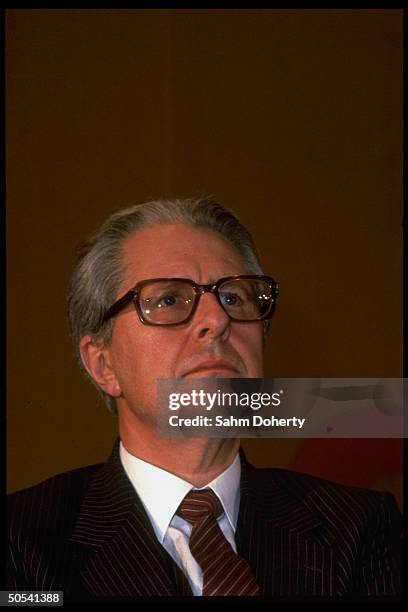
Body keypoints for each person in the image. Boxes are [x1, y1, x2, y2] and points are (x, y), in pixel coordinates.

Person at [7, 198, 402, 600]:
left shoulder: (358, 528)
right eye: (168, 300)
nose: (217, 321)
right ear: (103, 363)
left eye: (233, 298)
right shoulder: (22, 540)